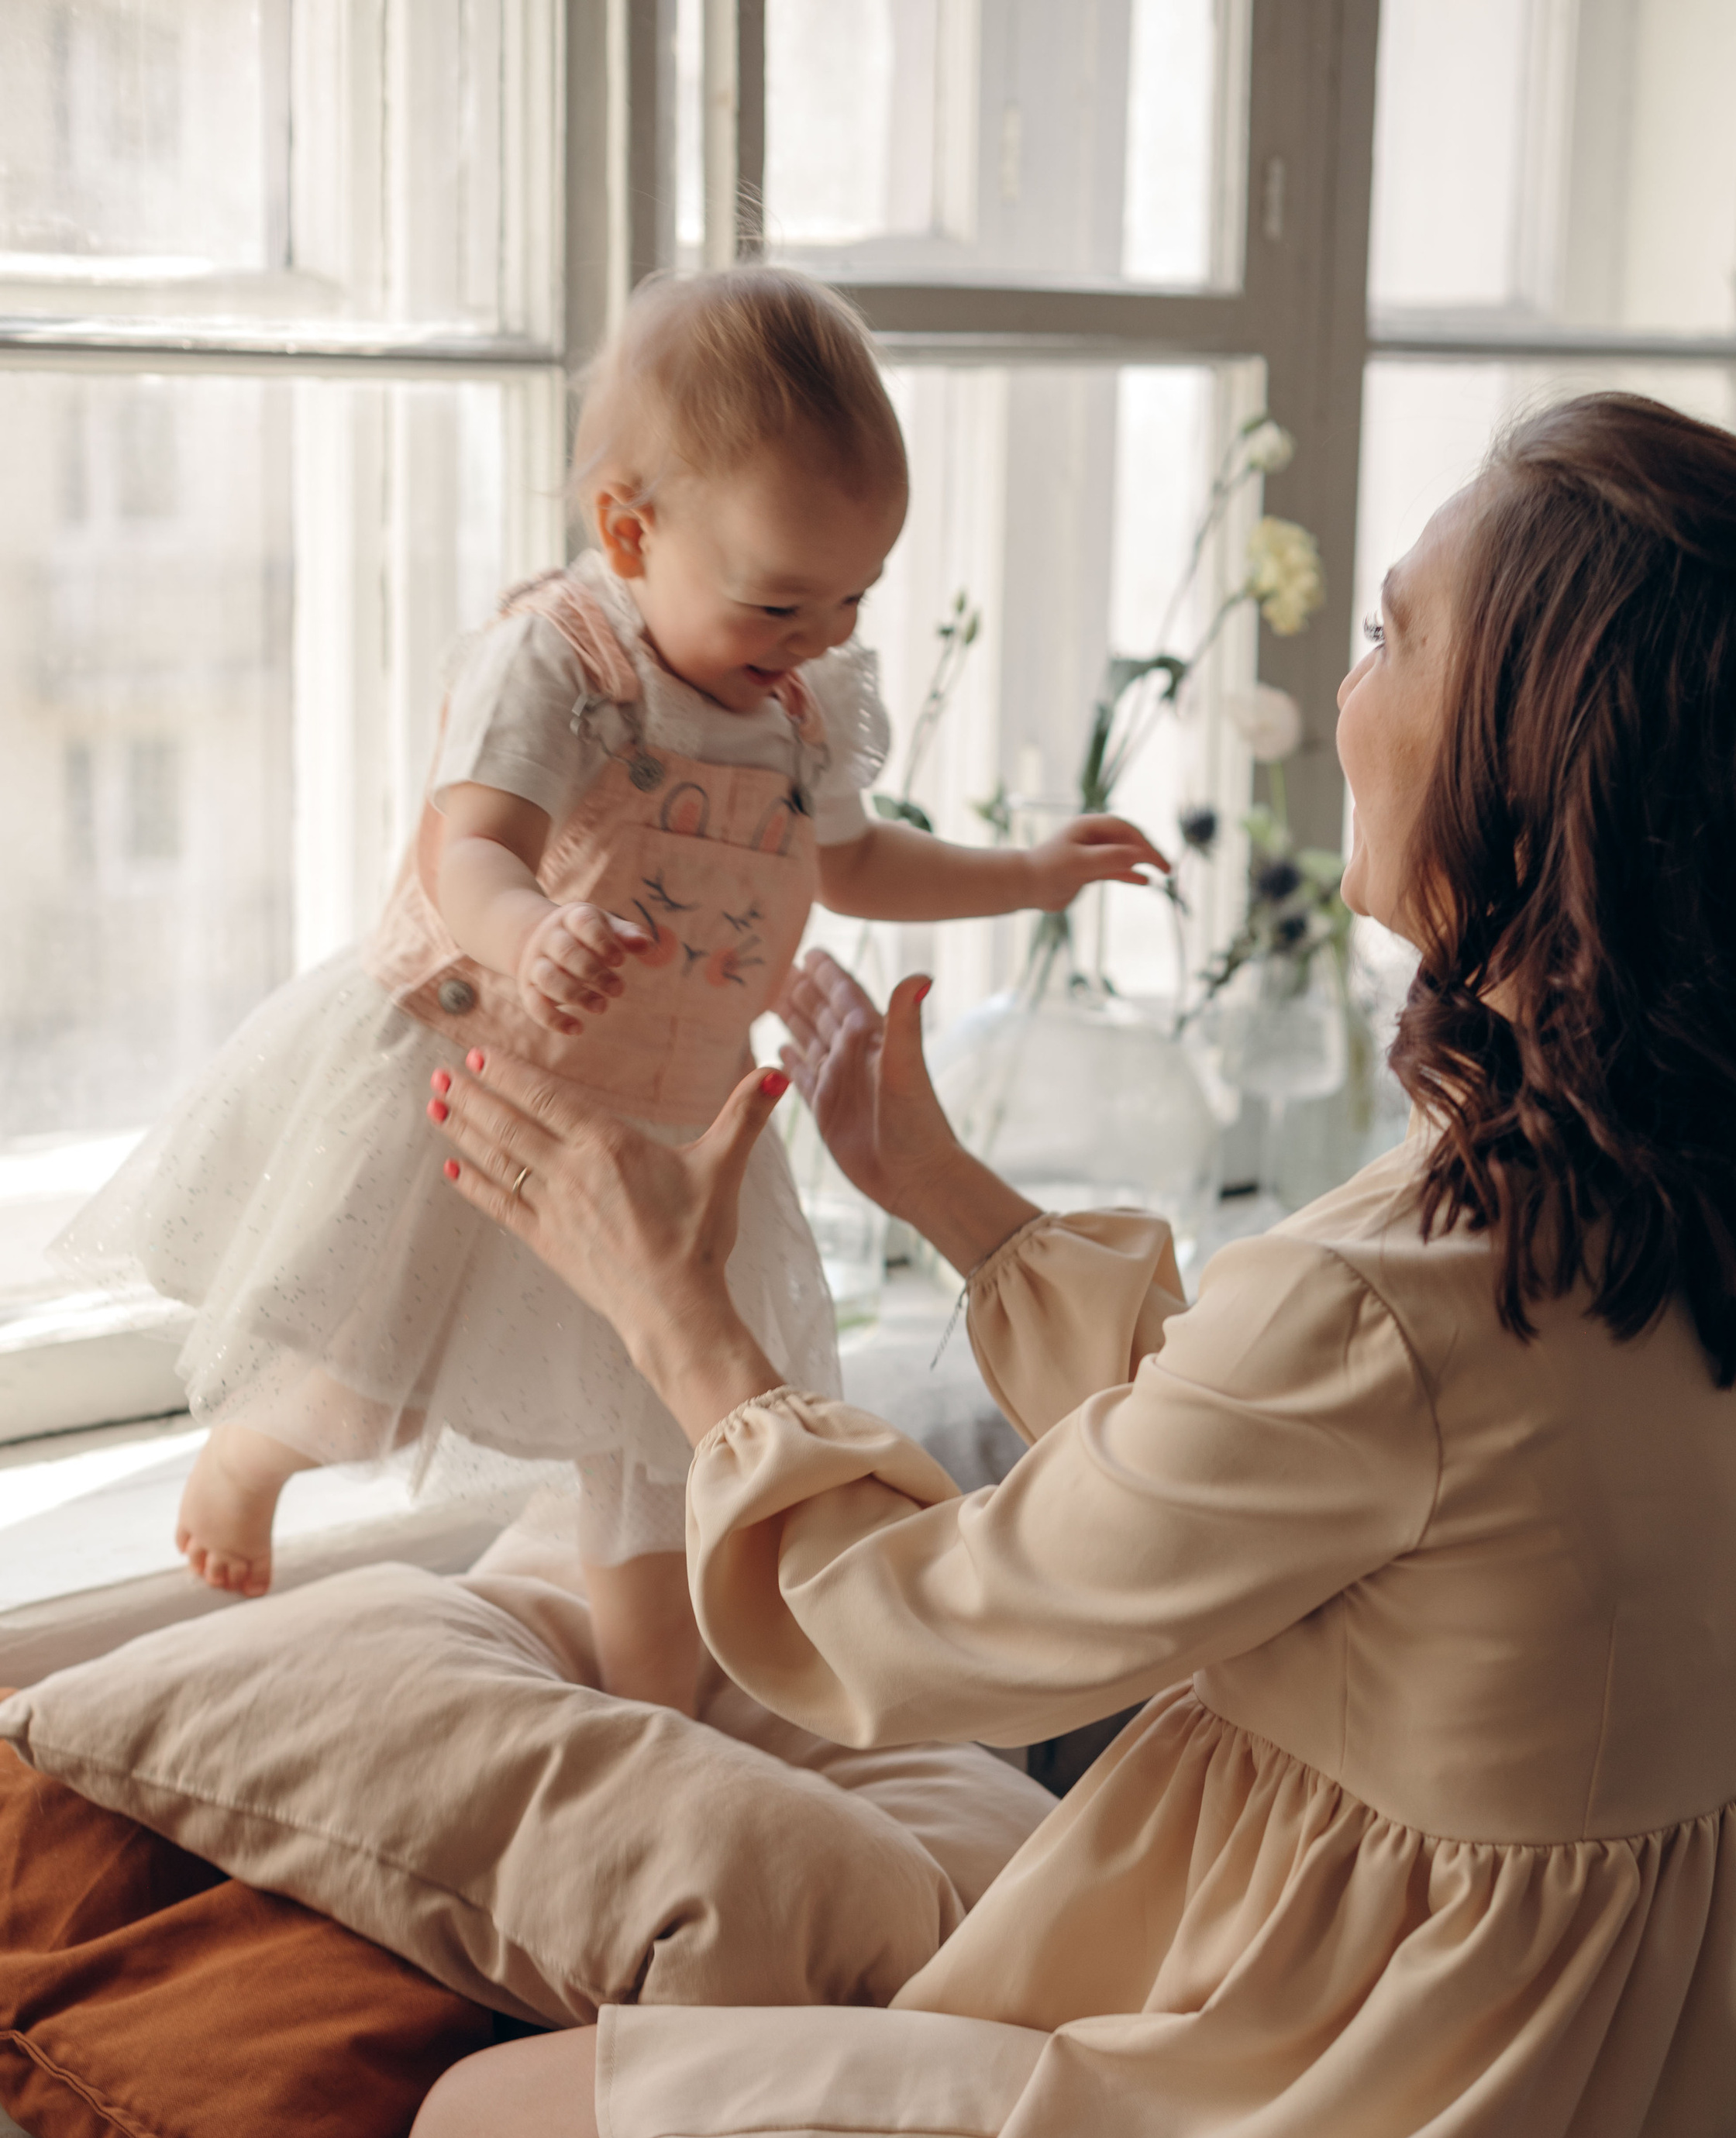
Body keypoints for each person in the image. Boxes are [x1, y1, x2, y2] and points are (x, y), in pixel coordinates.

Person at [398, 394, 1736, 2138]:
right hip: (1714, 2107)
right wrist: (936, 1186)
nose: (1345, 688)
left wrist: (675, 1314)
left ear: (1545, 765)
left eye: (1390, 636)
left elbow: (927, 1631)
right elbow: (1294, 1463)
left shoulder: (1405, 1291)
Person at [59, 268, 1163, 1709]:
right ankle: (251, 1456)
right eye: (783, 599)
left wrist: (1022, 874)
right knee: (367, 1375)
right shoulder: (565, 663)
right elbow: (472, 854)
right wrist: (529, 933)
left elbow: (853, 860)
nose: (820, 636)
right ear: (630, 534)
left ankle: (659, 1696)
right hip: (492, 1086)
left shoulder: (802, 702)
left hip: (669, 1121)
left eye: (855, 596)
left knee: (659, 1439)